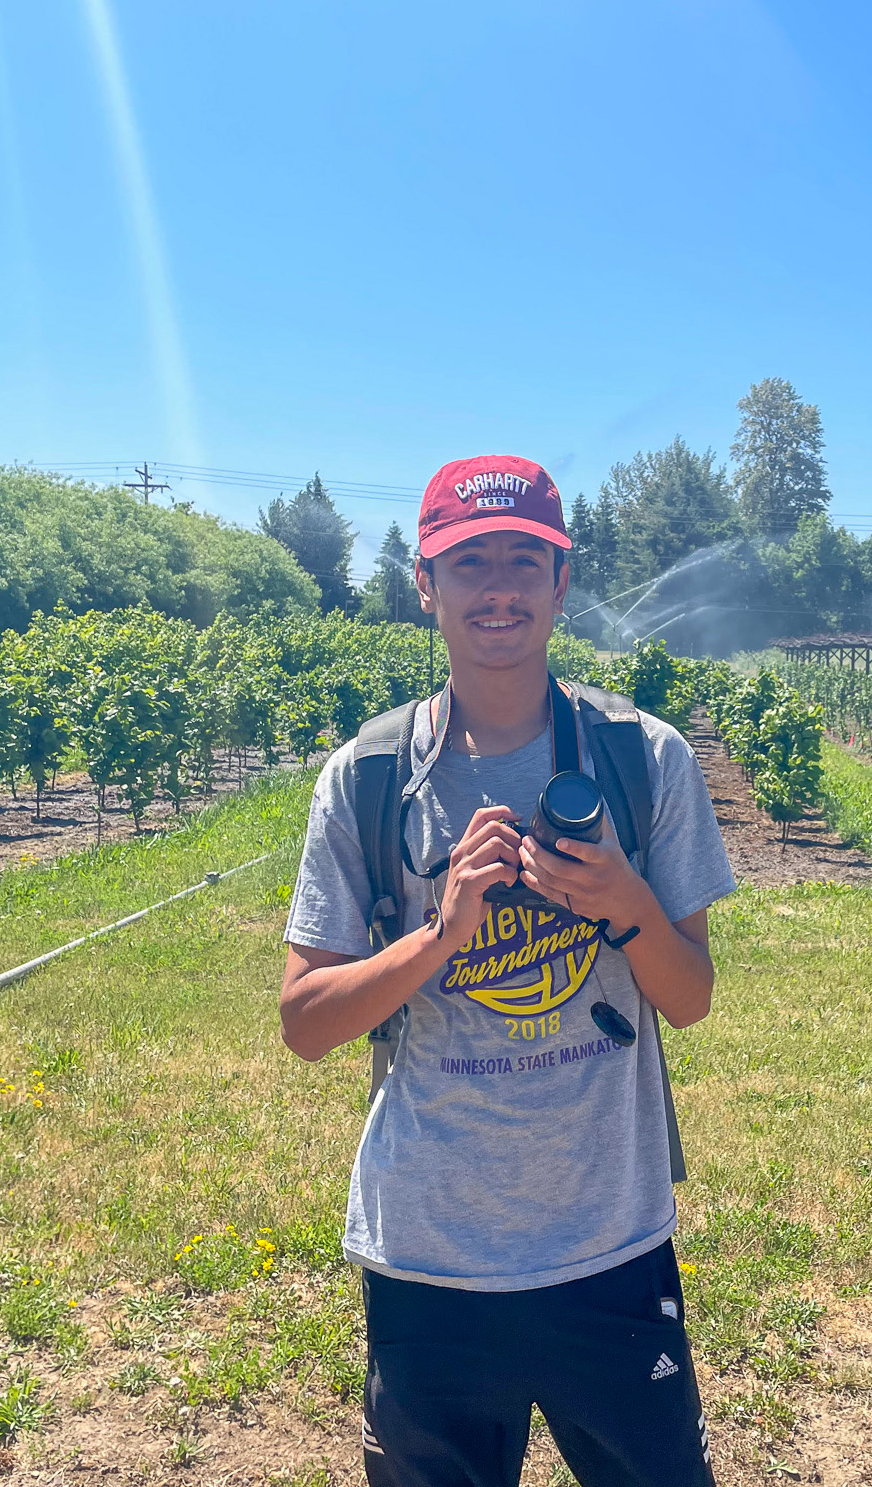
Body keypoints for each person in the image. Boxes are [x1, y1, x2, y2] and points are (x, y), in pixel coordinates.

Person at [280, 454, 736, 1486]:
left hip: (609, 1247)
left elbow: (692, 996)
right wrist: (437, 937)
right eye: (468, 561)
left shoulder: (642, 757)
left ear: (560, 580)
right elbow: (305, 1023)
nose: (497, 587)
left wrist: (623, 903)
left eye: (523, 561)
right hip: (428, 1256)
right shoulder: (370, 776)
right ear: (425, 586)